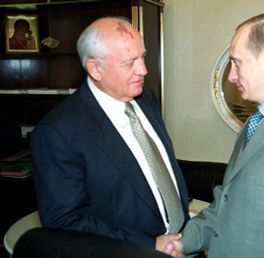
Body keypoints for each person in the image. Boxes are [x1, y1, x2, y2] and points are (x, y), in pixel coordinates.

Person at [162, 13, 264, 258]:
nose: (231, 76)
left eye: (237, 63)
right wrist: (183, 242)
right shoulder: (257, 121)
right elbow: (228, 204)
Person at [31, 17, 189, 250]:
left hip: (183, 242)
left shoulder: (146, 98)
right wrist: (150, 244)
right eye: (129, 62)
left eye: (143, 56)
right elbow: (64, 222)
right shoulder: (58, 133)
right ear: (96, 68)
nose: (143, 70)